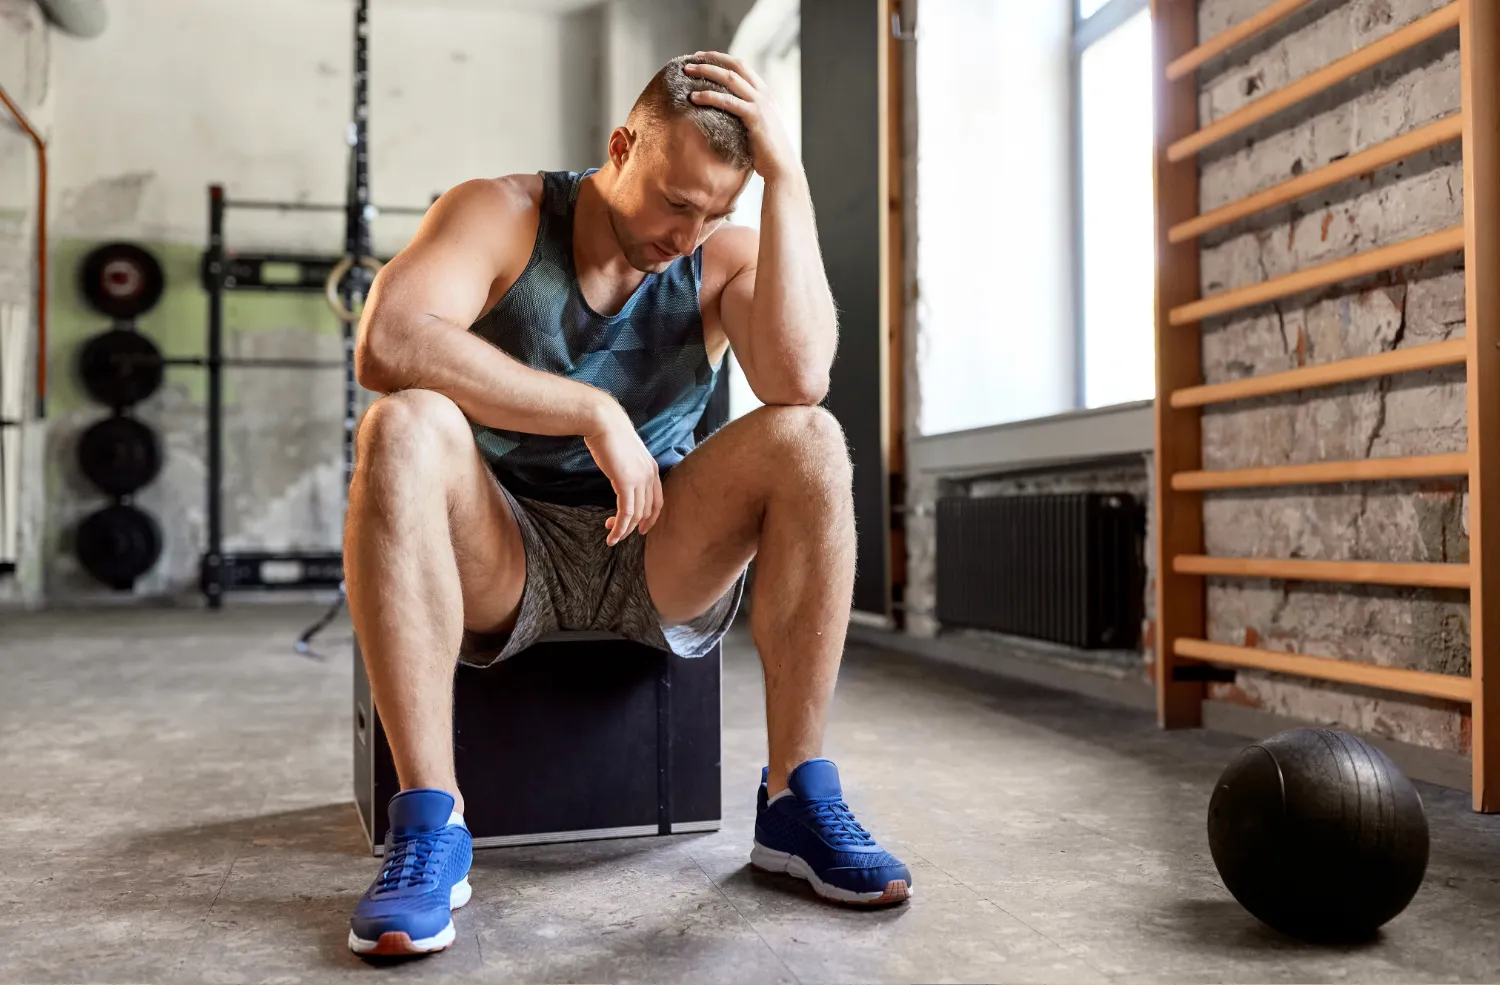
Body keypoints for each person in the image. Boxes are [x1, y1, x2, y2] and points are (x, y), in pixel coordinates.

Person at [343, 51, 912, 957]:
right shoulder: (503, 213)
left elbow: (800, 375)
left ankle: (795, 797)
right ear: (621, 147)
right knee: (402, 425)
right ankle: (430, 825)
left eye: (715, 211)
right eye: (677, 203)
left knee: (810, 437)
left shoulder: (720, 257)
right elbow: (389, 338)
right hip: (506, 548)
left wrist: (788, 177)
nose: (688, 235)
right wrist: (588, 408)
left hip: (659, 552)